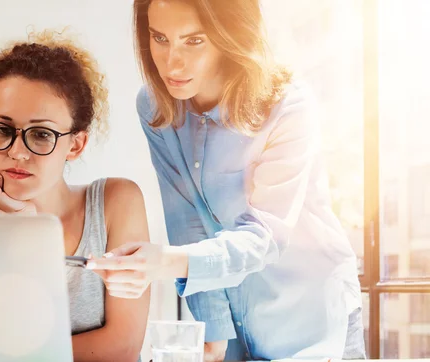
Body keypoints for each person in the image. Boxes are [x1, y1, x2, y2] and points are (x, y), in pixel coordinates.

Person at [87, 1, 365, 361]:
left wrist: (164, 263)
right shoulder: (156, 107)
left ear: (229, 36)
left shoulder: (289, 106)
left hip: (309, 324)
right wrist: (214, 335)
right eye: (160, 38)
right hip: (233, 332)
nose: (172, 62)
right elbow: (186, 221)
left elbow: (263, 238)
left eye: (194, 41)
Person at [0, 30, 149, 362]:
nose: (17, 152)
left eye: (41, 134)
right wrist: (17, 222)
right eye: (3, 129)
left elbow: (122, 348)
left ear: (76, 144)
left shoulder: (116, 202)